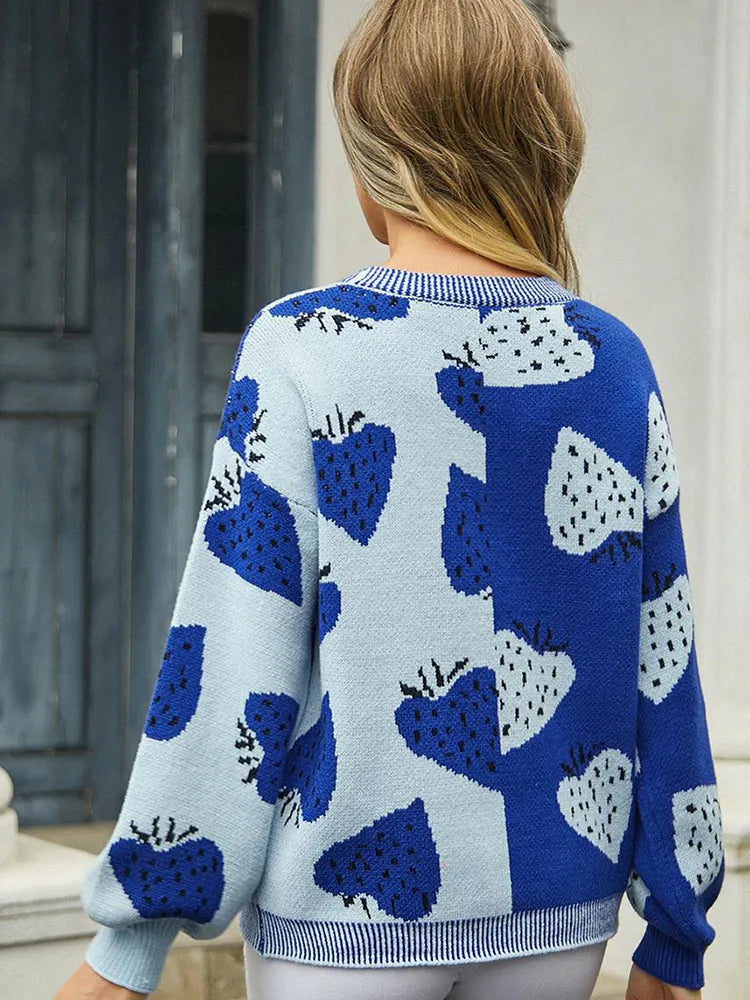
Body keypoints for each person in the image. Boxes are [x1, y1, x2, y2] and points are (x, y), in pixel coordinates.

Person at [56, 1, 724, 998]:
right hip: (556, 920)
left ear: (380, 161)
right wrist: (675, 932)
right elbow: (663, 659)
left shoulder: (302, 349)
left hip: (344, 927)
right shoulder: (615, 363)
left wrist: (130, 945)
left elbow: (232, 654)